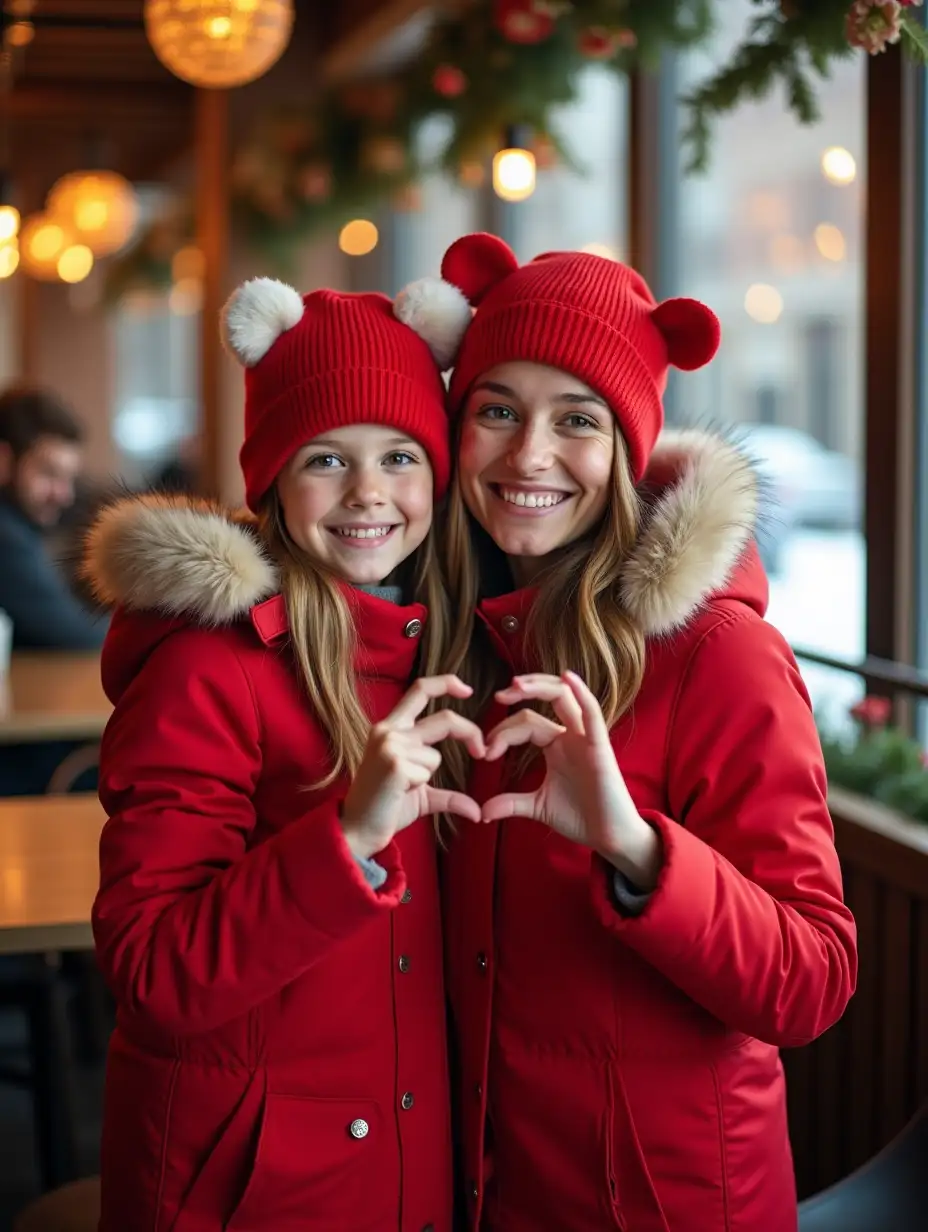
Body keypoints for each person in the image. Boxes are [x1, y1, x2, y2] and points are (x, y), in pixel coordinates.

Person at [431, 234, 858, 1231]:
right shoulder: (458, 637)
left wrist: (634, 844)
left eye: (576, 419)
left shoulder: (718, 654)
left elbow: (812, 979)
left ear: (628, 451)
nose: (528, 452)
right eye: (497, 409)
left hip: (665, 1201)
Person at [81, 274, 478, 1231]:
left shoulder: (442, 650)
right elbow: (149, 967)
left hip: (399, 1172)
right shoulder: (203, 669)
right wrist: (346, 841)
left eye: (400, 456)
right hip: (245, 1189)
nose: (370, 492)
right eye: (326, 459)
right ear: (270, 478)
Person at [0, 385, 105, 649]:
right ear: (3, 461)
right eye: (49, 473)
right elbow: (74, 633)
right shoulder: (6, 537)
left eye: (69, 478)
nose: (64, 495)